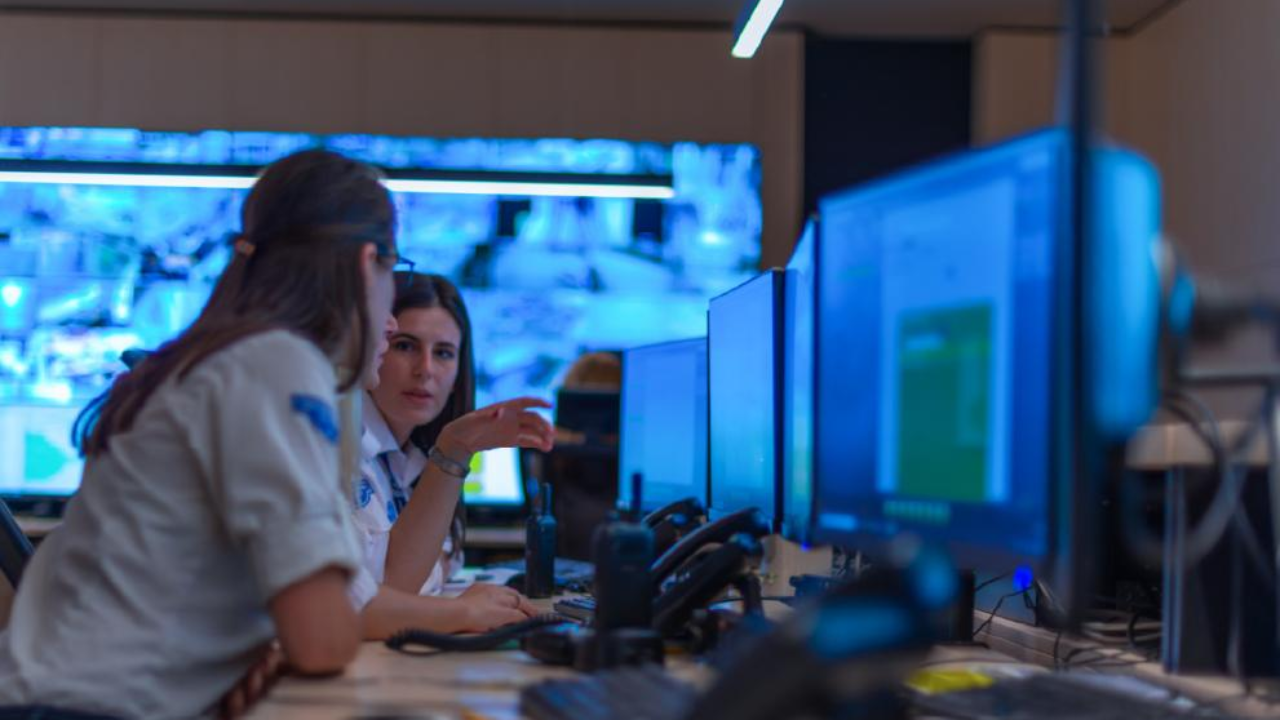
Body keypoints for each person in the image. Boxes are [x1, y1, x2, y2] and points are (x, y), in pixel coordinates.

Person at [0, 149, 396, 719]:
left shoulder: (215, 357)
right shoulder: (277, 363)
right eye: (394, 268)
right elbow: (323, 639)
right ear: (367, 262)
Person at [349, 272, 554, 638]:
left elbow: (436, 562)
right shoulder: (343, 442)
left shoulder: (411, 457)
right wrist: (456, 608)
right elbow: (376, 593)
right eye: (405, 346)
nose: (425, 370)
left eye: (443, 353)